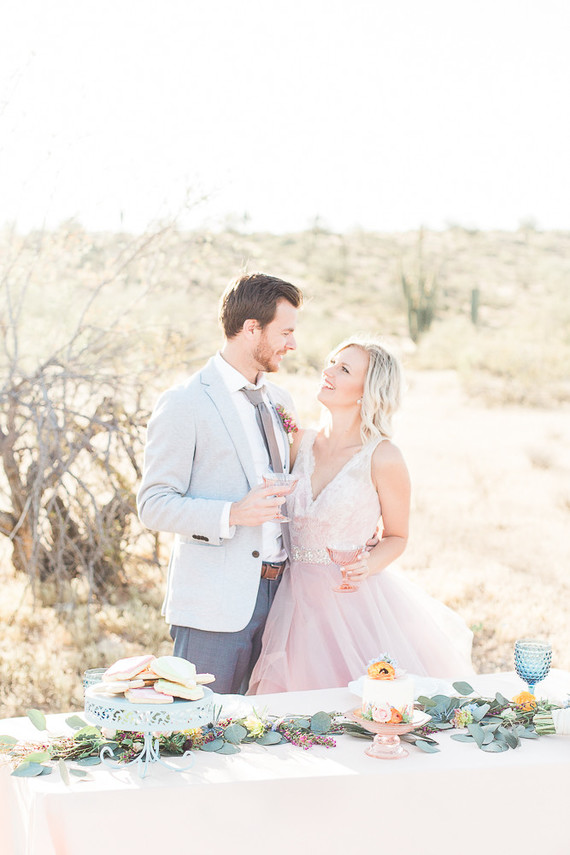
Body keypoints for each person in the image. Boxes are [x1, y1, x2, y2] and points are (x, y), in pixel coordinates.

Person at [248, 336, 474, 694]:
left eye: (344, 369)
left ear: (367, 391)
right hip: (291, 600)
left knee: (362, 705)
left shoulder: (384, 456)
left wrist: (367, 565)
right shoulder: (298, 443)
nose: (328, 372)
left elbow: (397, 536)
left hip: (351, 601)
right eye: (331, 363)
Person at [137, 272, 303, 694]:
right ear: (251, 329)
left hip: (282, 597)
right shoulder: (185, 402)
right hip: (214, 603)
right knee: (202, 723)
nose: (293, 344)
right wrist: (233, 514)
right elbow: (154, 503)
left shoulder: (280, 400)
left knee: (266, 725)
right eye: (285, 332)